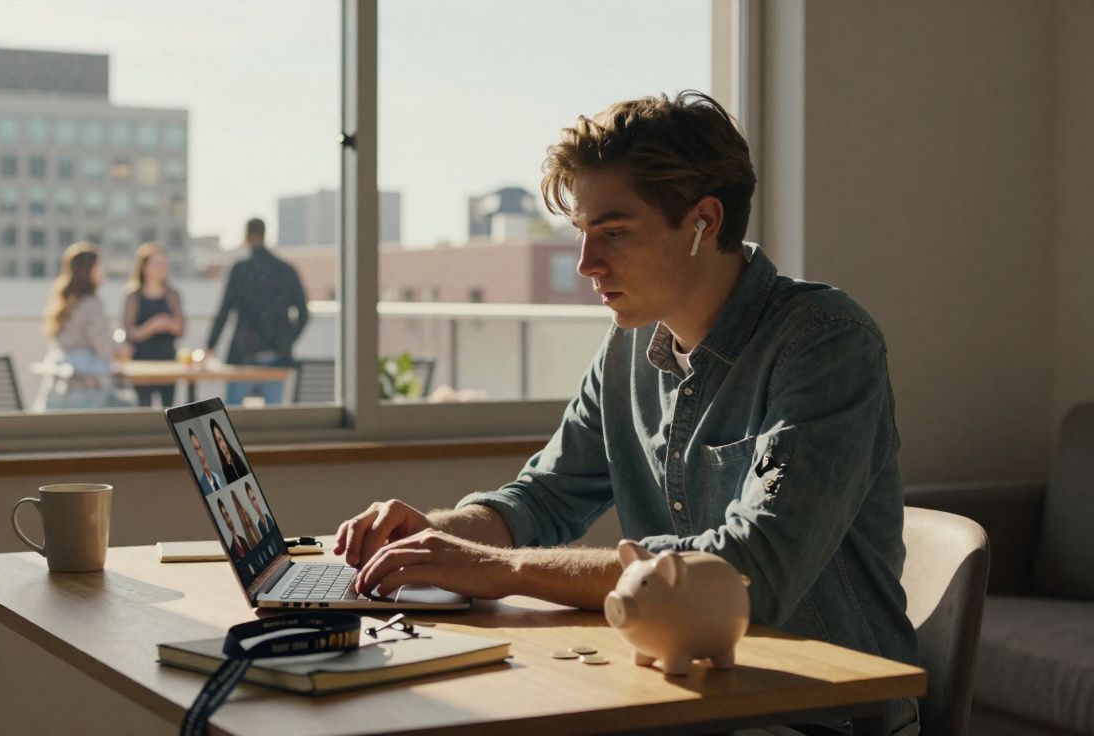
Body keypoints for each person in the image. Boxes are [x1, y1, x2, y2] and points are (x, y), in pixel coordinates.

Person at [333, 92, 919, 735]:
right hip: (674, 693)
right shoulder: (630, 345)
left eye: (613, 232)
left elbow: (749, 574)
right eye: (581, 235)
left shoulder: (825, 343)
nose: (587, 265)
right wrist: (432, 538)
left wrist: (500, 571)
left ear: (704, 222)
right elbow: (544, 499)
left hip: (816, 714)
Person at [205, 218, 308, 406]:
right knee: (272, 419)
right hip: (276, 355)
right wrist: (286, 341)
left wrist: (209, 347)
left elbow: (224, 311)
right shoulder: (285, 269)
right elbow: (304, 313)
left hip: (243, 354)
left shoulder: (240, 269)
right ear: (265, 234)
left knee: (231, 417)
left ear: (246, 236)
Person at [35, 243, 132, 410]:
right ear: (89, 270)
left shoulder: (65, 302)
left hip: (60, 394)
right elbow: (103, 346)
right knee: (132, 407)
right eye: (99, 265)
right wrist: (122, 349)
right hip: (85, 392)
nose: (103, 270)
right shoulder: (90, 304)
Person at [122, 243, 185, 408]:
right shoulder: (133, 295)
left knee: (169, 409)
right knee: (143, 409)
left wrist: (170, 325)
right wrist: (152, 326)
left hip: (167, 360)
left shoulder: (172, 294)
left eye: (164, 264)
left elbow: (181, 329)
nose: (161, 268)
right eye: (156, 264)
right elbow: (128, 332)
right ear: (144, 267)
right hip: (142, 361)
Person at [209, 418, 249, 482]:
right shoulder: (224, 468)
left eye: (221, 439)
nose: (221, 445)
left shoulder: (237, 457)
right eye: (218, 442)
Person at [187, 428, 226, 494]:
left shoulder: (217, 476)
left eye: (200, 447)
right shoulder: (201, 486)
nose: (201, 455)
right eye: (196, 449)